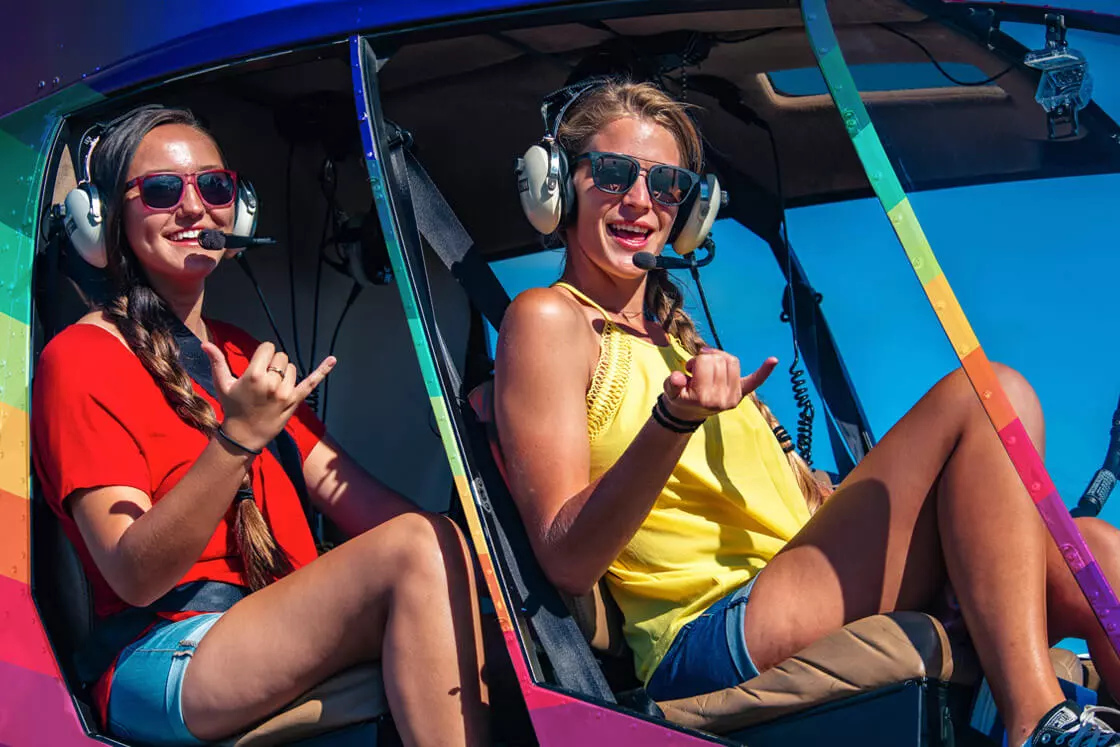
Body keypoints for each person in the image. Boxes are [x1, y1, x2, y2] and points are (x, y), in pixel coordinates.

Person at [494, 79, 1120, 747]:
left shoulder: (685, 345)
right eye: (615, 174)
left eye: (669, 185)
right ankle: (1038, 725)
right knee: (992, 394)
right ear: (556, 182)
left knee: (1097, 550)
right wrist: (670, 423)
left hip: (793, 591)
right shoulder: (549, 320)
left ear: (690, 209)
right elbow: (565, 557)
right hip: (706, 636)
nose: (642, 201)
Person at [32, 106, 488, 747]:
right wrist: (236, 438)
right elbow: (134, 575)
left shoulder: (245, 355)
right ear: (105, 218)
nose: (193, 209)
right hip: (162, 648)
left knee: (440, 543)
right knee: (416, 549)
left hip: (266, 625)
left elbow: (363, 504)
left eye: (213, 188)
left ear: (237, 211)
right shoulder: (80, 358)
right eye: (163, 191)